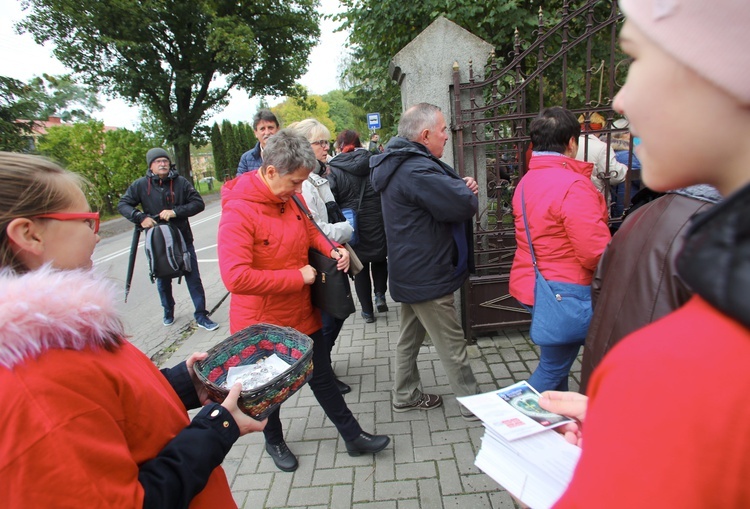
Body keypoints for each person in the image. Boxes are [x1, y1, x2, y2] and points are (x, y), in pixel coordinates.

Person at [538, 1, 750, 506]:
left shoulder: (672, 372)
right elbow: (593, 247)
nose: (620, 99)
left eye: (636, 57)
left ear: (720, 69)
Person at [0, 152, 265, 508]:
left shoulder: (57, 336)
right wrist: (216, 428)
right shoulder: (34, 382)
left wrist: (182, 384)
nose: (96, 236)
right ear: (29, 234)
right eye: (86, 221)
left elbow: (109, 408)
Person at [217, 130, 390, 473]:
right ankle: (274, 440)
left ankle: (352, 436)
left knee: (321, 374)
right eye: (294, 182)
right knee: (271, 390)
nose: (299, 191)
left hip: (301, 312)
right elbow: (235, 278)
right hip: (262, 324)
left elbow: (311, 229)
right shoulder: (238, 212)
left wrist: (333, 250)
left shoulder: (290, 198)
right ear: (270, 172)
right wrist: (297, 277)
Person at [370, 103, 480, 420]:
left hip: (411, 270)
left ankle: (404, 395)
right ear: (426, 134)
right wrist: (464, 190)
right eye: (444, 130)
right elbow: (461, 205)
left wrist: (459, 188)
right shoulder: (416, 170)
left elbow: (448, 197)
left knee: (409, 338)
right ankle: (473, 402)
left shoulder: (401, 164)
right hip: (427, 274)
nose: (447, 136)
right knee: (452, 343)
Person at [579, 184, 721, 392]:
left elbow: (598, 285)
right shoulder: (724, 231)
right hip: (664, 388)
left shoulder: (641, 212)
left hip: (608, 365)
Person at [509, 106, 611, 393]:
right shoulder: (574, 186)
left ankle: (554, 423)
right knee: (552, 368)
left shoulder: (527, 181)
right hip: (567, 292)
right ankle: (513, 423)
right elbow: (594, 252)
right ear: (571, 142)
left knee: (556, 363)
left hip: (535, 286)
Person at [288, 118, 355, 394]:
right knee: (329, 319)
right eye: (320, 142)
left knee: (336, 316)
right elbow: (314, 228)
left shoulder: (318, 177)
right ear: (305, 146)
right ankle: (320, 370)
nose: (326, 148)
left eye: (327, 142)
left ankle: (322, 366)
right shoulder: (304, 183)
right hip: (318, 260)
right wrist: (346, 230)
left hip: (329, 255)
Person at [118, 148, 219, 331]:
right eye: (158, 162)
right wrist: (140, 217)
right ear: (151, 166)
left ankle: (201, 315)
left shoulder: (180, 182)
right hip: (158, 244)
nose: (162, 164)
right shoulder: (141, 185)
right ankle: (168, 310)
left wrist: (175, 212)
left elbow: (198, 203)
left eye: (165, 160)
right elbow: (123, 204)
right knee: (162, 280)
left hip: (182, 240)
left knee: (193, 277)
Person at [329, 129, 389, 323]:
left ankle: (367, 312)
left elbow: (333, 199)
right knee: (380, 258)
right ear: (359, 144)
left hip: (352, 225)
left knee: (360, 267)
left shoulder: (335, 169)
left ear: (340, 146)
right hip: (378, 219)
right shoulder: (374, 161)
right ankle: (380, 294)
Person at [576, 112, 628, 199]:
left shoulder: (569, 142)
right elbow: (614, 175)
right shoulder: (601, 147)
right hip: (594, 197)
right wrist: (624, 168)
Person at [236, 109, 279, 177]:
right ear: (255, 133)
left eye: (270, 128)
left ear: (278, 129)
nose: (267, 132)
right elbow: (240, 184)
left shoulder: (290, 153)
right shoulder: (246, 159)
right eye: (262, 129)